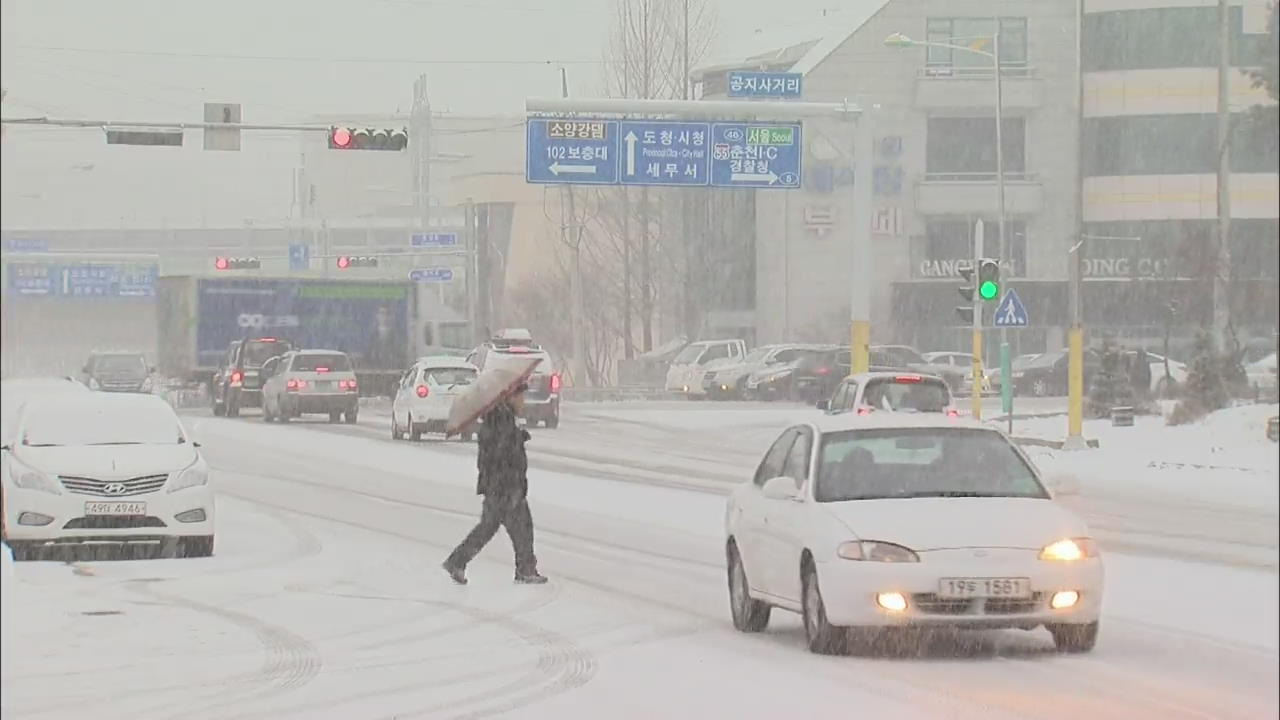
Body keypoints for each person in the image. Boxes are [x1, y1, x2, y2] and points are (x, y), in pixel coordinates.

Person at [442, 382, 547, 585]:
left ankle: (458, 561)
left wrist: (518, 437)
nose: (523, 402)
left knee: (493, 528)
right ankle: (524, 569)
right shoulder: (501, 421)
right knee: (520, 527)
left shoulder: (499, 419)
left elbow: (497, 450)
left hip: (499, 486)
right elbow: (501, 453)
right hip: (504, 487)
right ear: (509, 397)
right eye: (520, 397)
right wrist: (517, 440)